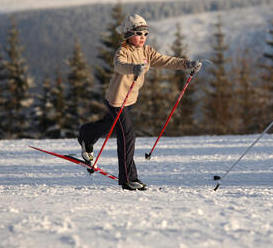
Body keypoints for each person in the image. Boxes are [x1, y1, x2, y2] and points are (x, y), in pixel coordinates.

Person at [78, 13, 202, 191]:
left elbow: (164, 60)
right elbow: (119, 65)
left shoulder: (146, 51)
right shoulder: (123, 52)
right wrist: (134, 68)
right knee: (127, 135)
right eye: (138, 33)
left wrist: (186, 64)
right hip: (117, 100)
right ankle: (128, 179)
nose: (143, 37)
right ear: (129, 35)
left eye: (145, 33)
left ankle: (86, 135)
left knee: (109, 125)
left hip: (130, 99)